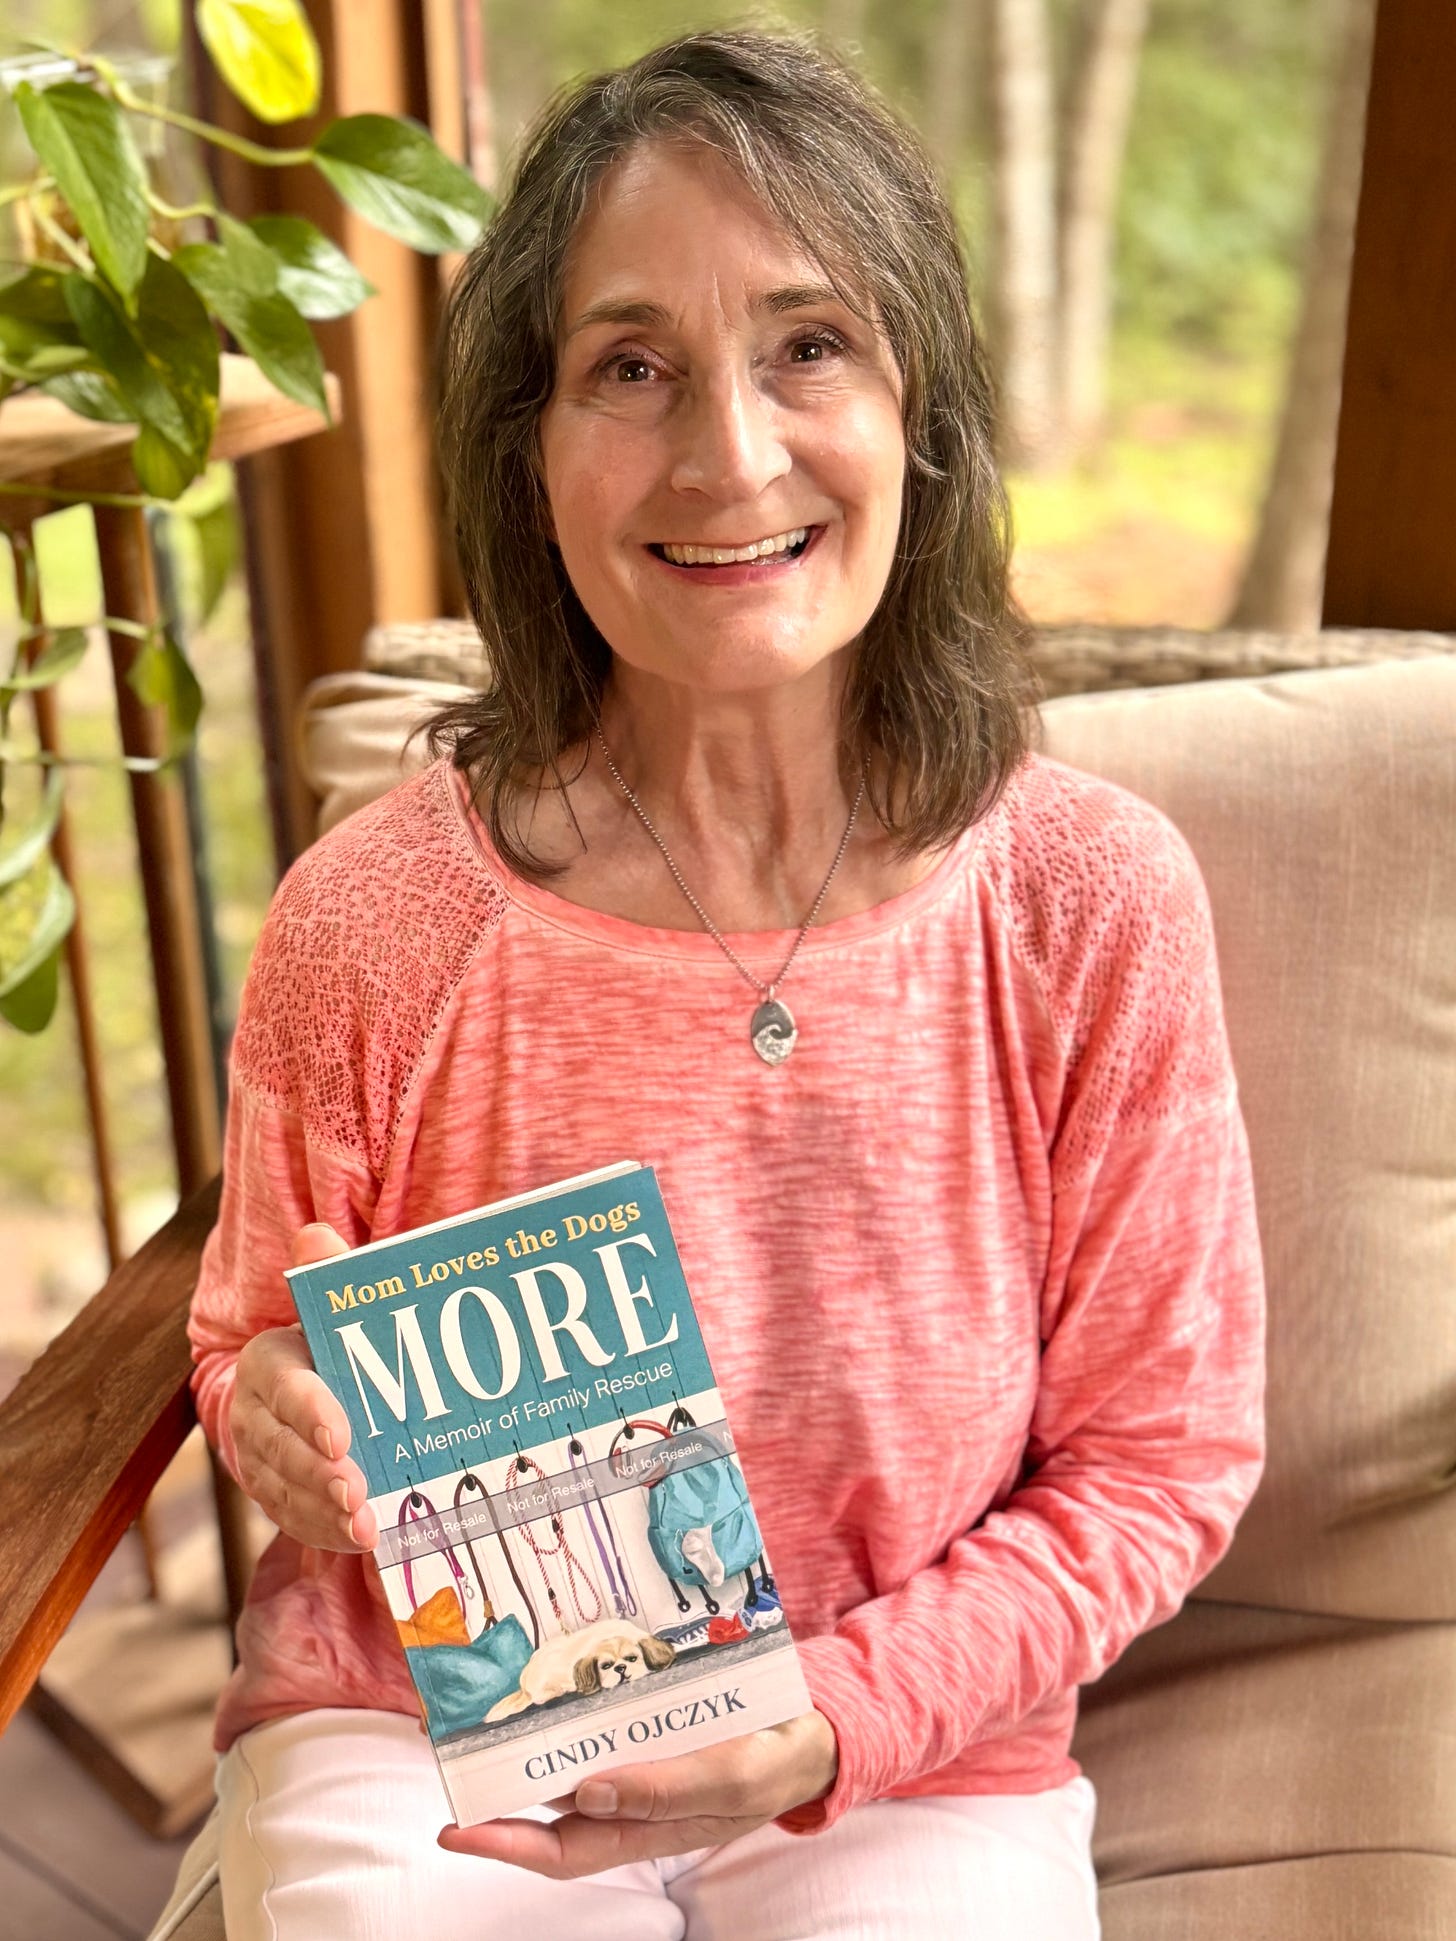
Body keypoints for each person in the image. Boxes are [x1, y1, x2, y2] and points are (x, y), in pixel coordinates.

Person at [186, 28, 1265, 1941]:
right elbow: (253, 1338)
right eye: (631, 368)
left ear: (920, 409)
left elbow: (1162, 1460)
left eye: (809, 345)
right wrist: (271, 1405)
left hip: (908, 1748)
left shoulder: (1091, 903)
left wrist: (812, 1725)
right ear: (528, 455)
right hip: (424, 1734)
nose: (732, 454)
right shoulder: (371, 914)